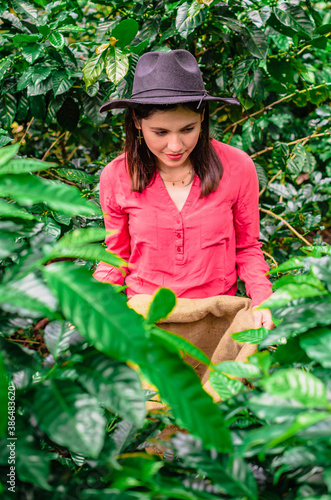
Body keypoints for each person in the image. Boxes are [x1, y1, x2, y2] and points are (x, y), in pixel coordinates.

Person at [94, 49, 274, 331]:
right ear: (138, 123)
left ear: (203, 117)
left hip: (217, 320)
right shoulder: (116, 175)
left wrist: (263, 298)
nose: (175, 146)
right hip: (146, 322)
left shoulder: (238, 167)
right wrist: (90, 302)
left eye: (187, 129)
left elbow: (247, 247)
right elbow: (116, 256)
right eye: (161, 132)